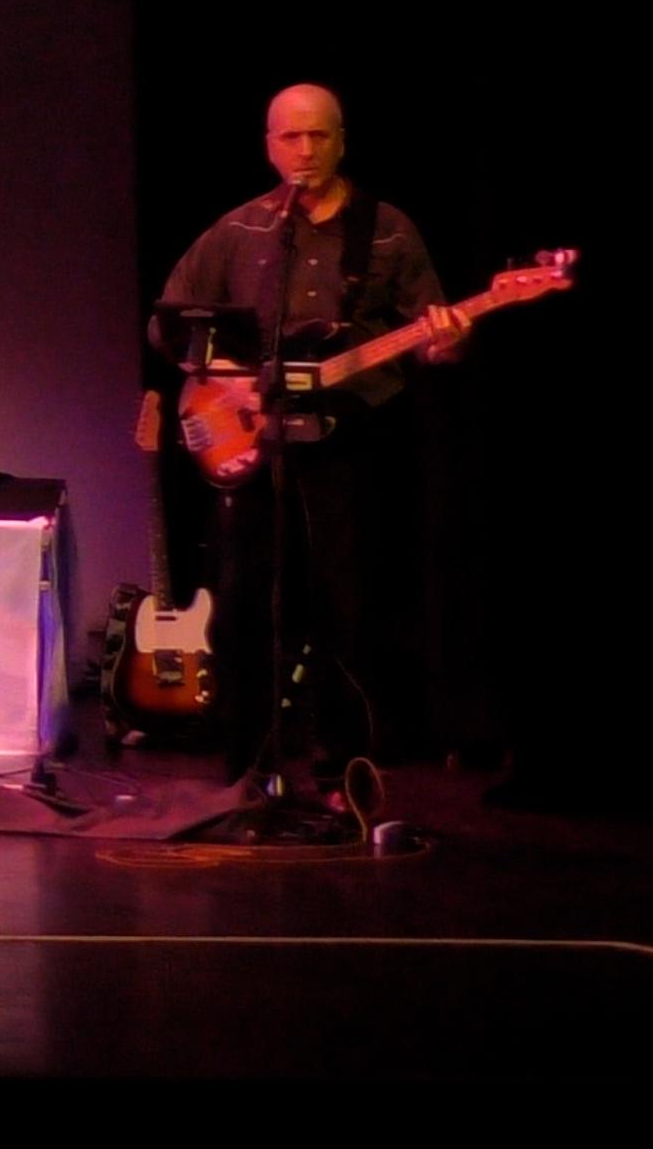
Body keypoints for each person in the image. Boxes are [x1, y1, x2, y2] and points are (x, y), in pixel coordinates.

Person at [151, 84, 460, 776]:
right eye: (291, 137)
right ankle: (246, 767)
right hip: (254, 453)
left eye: (319, 136)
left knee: (347, 612)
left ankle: (342, 771)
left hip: (349, 445)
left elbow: (434, 334)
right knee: (243, 609)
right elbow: (169, 323)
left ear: (342, 141)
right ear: (268, 145)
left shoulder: (385, 229)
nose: (306, 150)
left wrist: (444, 340)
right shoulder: (239, 231)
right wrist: (227, 380)